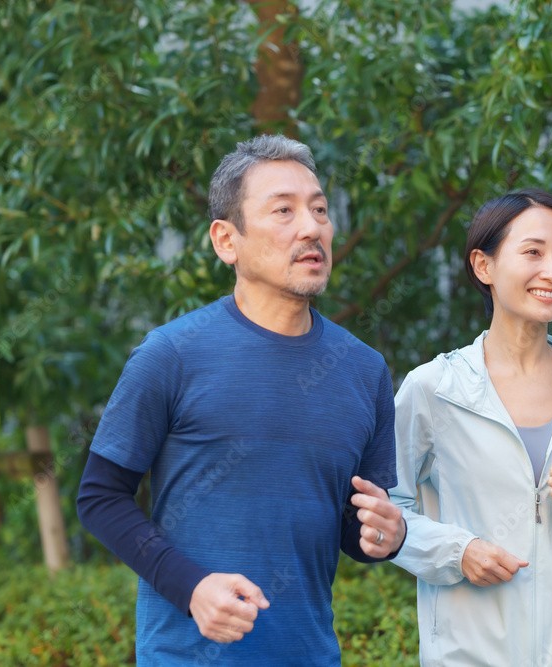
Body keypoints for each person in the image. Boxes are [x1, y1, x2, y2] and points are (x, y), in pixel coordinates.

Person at [77, 134, 406, 666]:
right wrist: (191, 587)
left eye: (319, 209)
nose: (311, 227)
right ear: (226, 240)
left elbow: (357, 530)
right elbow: (99, 498)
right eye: (284, 210)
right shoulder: (172, 355)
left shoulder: (364, 371)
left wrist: (387, 535)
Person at [389, 189, 552, 666]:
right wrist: (457, 551)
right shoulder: (434, 389)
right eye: (533, 252)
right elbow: (387, 510)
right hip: (468, 654)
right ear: (483, 265)